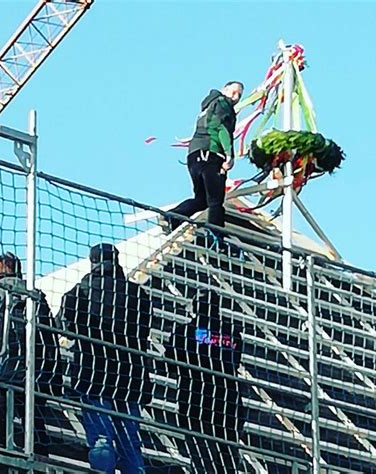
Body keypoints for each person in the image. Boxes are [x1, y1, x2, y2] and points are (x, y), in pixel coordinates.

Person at [58, 243, 152, 474]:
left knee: (101, 437)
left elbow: (63, 325)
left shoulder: (80, 291)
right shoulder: (137, 294)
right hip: (130, 376)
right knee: (130, 441)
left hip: (93, 373)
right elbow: (144, 330)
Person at [0, 252, 62, 455]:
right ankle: (40, 459)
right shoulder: (35, 298)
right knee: (34, 423)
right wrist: (54, 377)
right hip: (32, 372)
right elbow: (50, 338)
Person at [165, 289, 244, 473]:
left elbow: (169, 363)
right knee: (227, 459)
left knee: (202, 459)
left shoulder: (184, 333)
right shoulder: (232, 334)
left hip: (196, 402)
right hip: (228, 404)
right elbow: (235, 361)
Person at [167, 81, 244, 232]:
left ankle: (172, 218)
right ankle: (216, 236)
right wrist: (229, 155)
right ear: (224, 90)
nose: (235, 98)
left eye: (239, 95)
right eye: (233, 92)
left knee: (202, 200)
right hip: (209, 153)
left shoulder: (209, 105)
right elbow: (220, 128)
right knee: (215, 200)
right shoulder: (222, 104)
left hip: (194, 156)